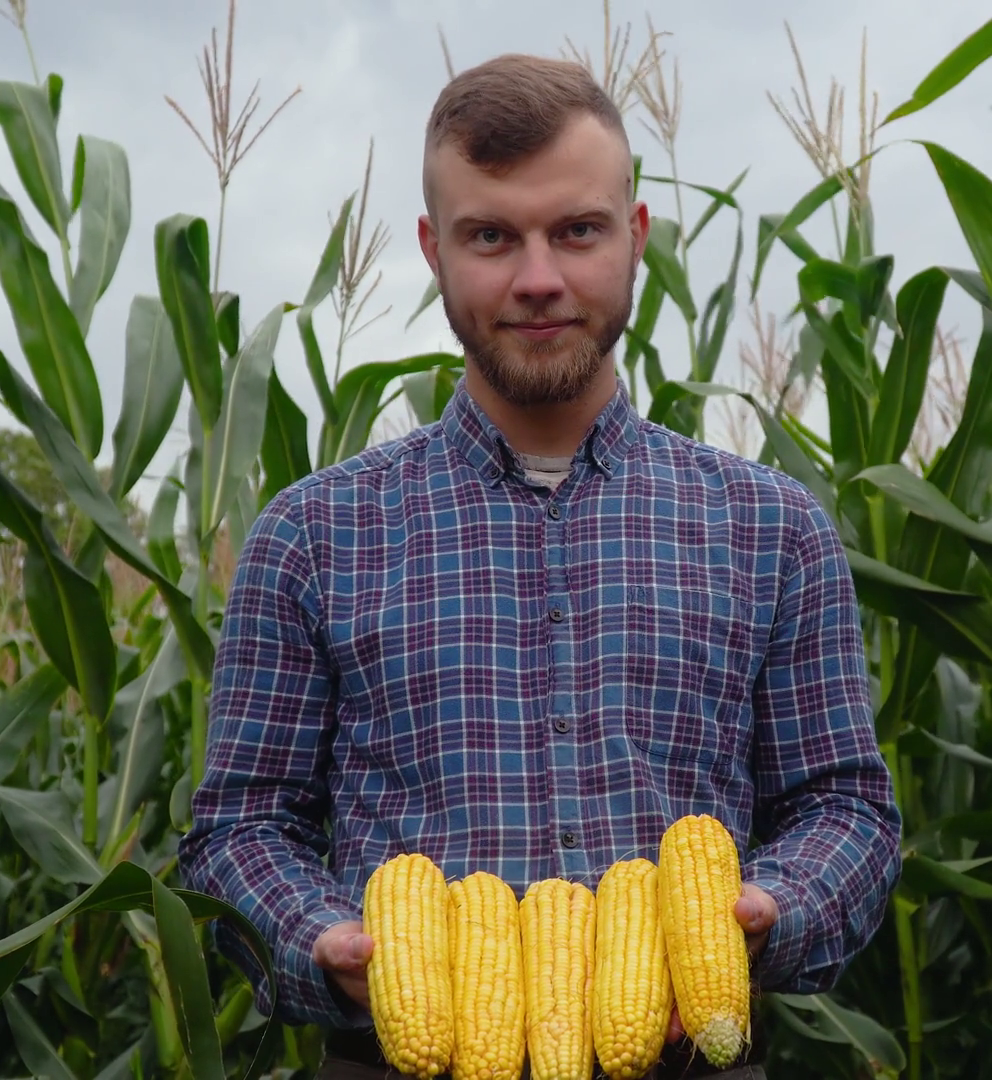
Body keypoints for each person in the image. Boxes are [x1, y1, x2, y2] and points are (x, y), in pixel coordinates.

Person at [178, 51, 902, 1080]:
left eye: (577, 231)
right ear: (433, 250)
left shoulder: (772, 529)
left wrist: (764, 911)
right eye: (490, 236)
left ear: (636, 235)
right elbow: (238, 831)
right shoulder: (313, 535)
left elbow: (847, 810)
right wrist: (322, 944)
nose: (538, 279)